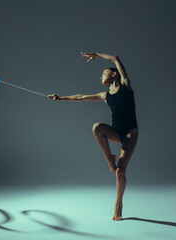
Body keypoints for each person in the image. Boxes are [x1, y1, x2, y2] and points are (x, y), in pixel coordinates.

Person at [48, 52, 138, 221]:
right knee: (97, 127)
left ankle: (118, 204)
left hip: (130, 132)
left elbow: (116, 58)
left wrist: (96, 54)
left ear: (114, 74)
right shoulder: (106, 95)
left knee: (120, 172)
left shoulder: (126, 85)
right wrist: (61, 98)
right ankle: (109, 159)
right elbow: (81, 97)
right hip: (116, 131)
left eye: (103, 72)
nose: (100, 76)